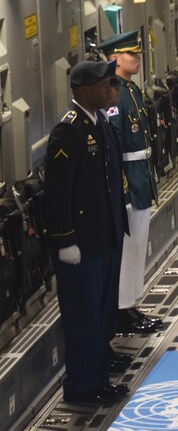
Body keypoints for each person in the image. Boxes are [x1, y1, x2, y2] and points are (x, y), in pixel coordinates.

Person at [43, 60, 130, 405]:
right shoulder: (69, 130)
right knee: (82, 315)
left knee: (101, 309)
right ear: (82, 90)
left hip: (103, 236)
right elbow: (58, 192)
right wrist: (65, 240)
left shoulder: (99, 122)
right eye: (101, 84)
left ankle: (99, 367)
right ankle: (83, 384)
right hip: (81, 244)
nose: (108, 88)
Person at [100, 29, 164, 336]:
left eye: (137, 53)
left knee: (138, 246)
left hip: (140, 177)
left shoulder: (131, 90)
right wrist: (122, 187)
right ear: (115, 58)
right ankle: (122, 310)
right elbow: (114, 145)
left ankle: (132, 304)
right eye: (131, 54)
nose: (137, 58)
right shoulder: (115, 95)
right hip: (128, 181)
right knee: (127, 248)